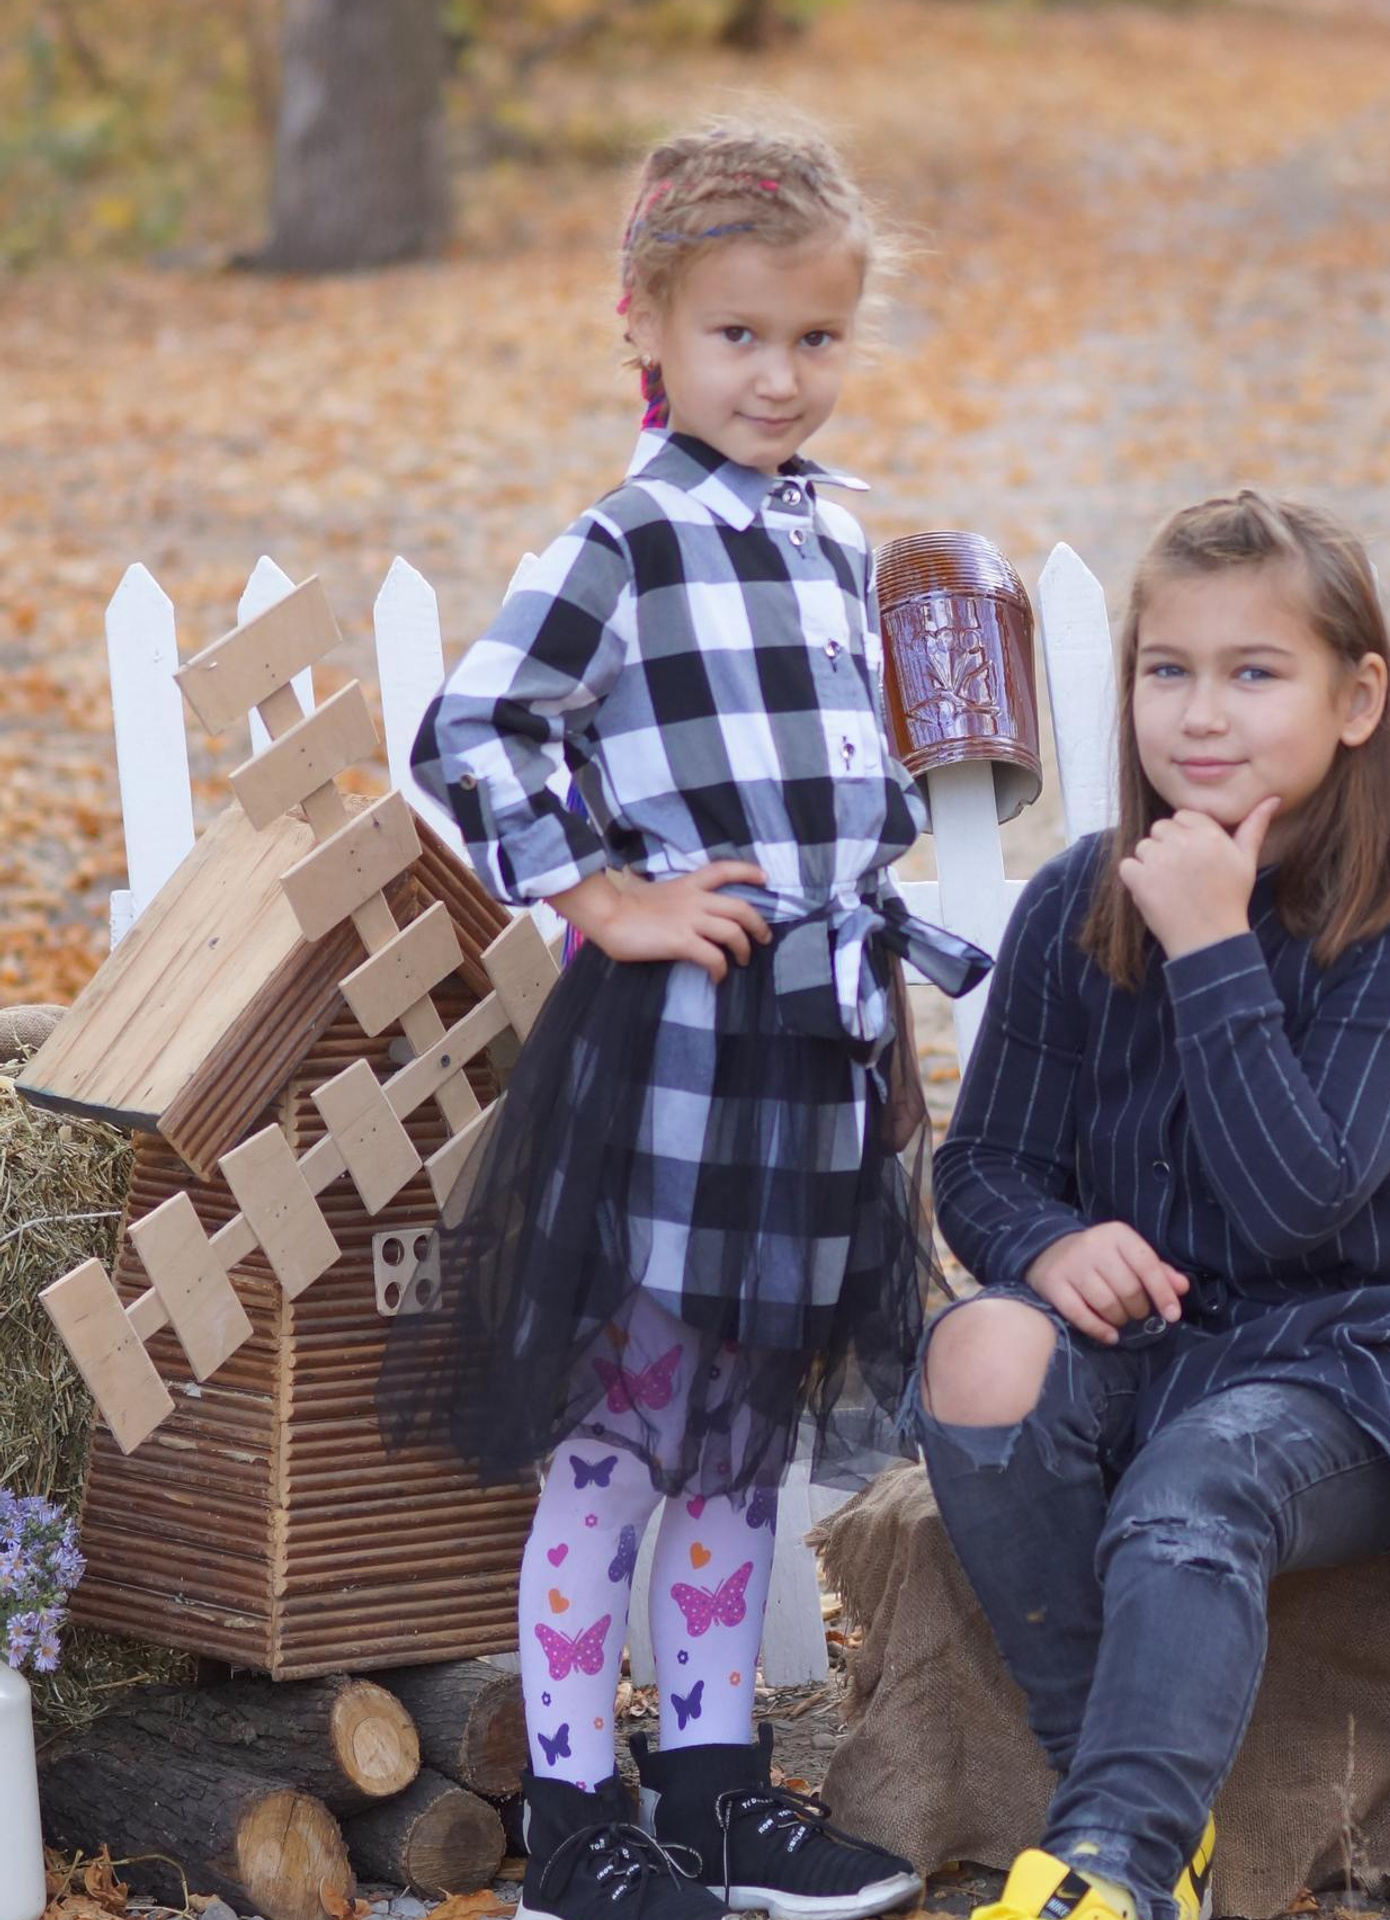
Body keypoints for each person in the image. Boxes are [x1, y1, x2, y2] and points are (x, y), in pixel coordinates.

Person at [403, 120, 989, 1920]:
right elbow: (471, 727)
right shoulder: (628, 536)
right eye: (740, 335)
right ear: (646, 328)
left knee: (751, 1421)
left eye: (816, 337)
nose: (781, 374)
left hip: (810, 1037)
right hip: (676, 1046)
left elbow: (841, 787)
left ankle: (720, 1791)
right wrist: (606, 896)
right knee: (635, 1418)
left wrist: (881, 992)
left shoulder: (833, 531)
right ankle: (581, 1819)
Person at [912, 491, 1390, 1920]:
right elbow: (980, 1167)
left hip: (1359, 1362)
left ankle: (1116, 1864)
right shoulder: (1078, 902)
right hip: (1155, 1341)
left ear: (1357, 699)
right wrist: (1049, 1242)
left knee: (1199, 1484)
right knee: (977, 1350)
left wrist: (1213, 945)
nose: (1201, 715)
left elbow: (1297, 1204)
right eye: (1169, 671)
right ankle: (1132, 1817)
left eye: (1253, 672)